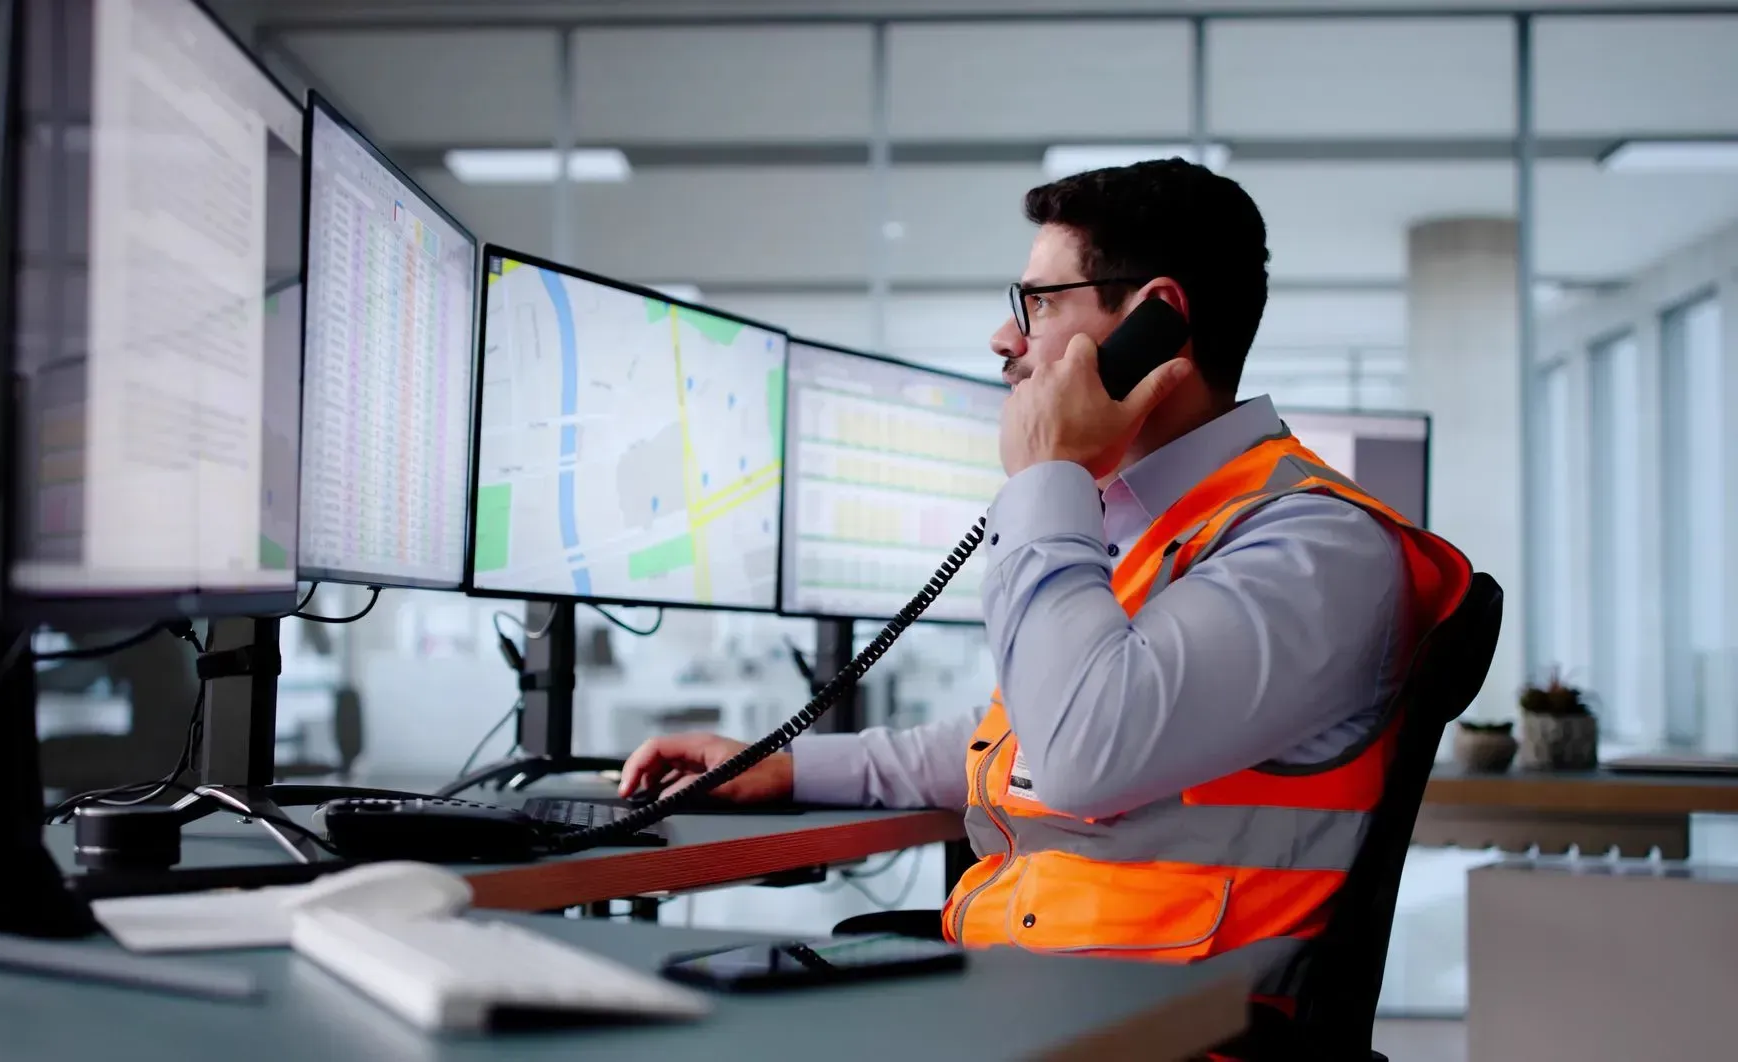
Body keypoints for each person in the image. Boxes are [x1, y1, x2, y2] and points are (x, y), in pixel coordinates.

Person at [620, 159, 1473, 979]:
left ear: (1157, 318)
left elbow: (1079, 750)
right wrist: (787, 766)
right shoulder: (1156, 527)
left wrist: (1045, 478)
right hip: (1051, 993)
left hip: (1162, 1032)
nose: (1004, 337)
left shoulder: (1313, 549)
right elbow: (1016, 742)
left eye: (1036, 301)